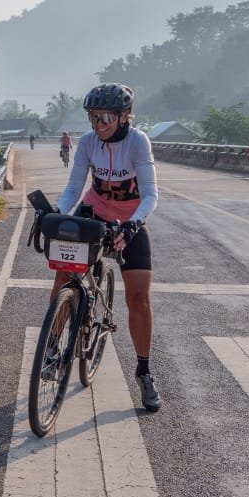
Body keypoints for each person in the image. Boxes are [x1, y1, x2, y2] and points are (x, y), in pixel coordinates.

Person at [55, 82, 161, 411]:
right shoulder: (87, 143)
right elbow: (75, 187)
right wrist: (58, 212)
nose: (98, 125)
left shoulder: (137, 142)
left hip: (129, 220)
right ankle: (52, 348)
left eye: (105, 118)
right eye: (92, 118)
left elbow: (150, 194)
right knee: (62, 277)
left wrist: (133, 224)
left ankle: (144, 371)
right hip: (95, 212)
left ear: (124, 116)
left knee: (138, 296)